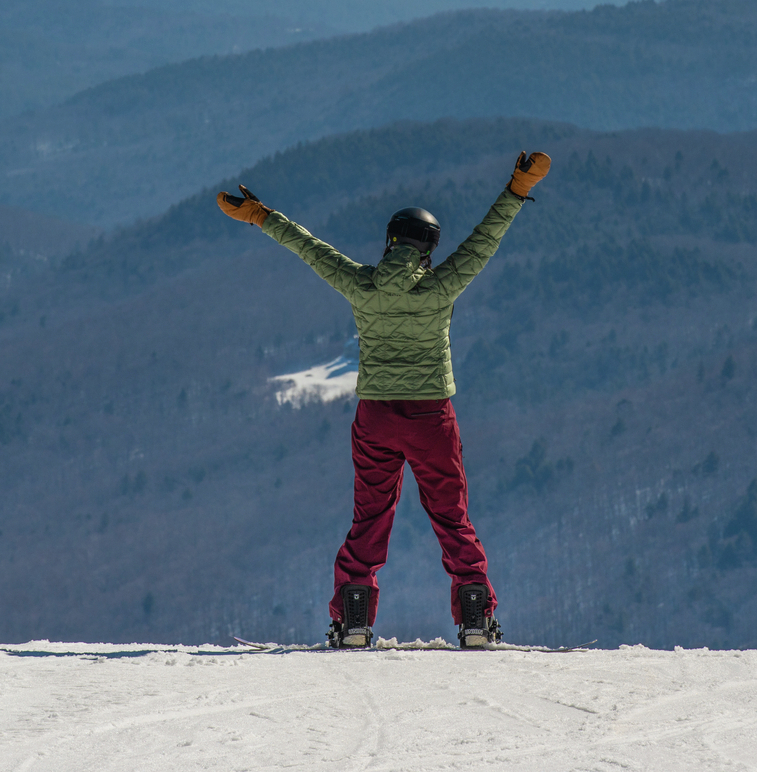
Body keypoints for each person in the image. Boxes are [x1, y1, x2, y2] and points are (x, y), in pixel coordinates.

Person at [217, 149, 552, 647]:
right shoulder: (441, 287)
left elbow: (310, 249)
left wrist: (262, 215)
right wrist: (516, 191)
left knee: (370, 517)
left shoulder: (361, 285)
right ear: (429, 248)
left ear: (391, 242)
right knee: (451, 517)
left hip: (375, 417)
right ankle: (476, 617)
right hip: (431, 417)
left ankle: (354, 618)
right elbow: (486, 240)